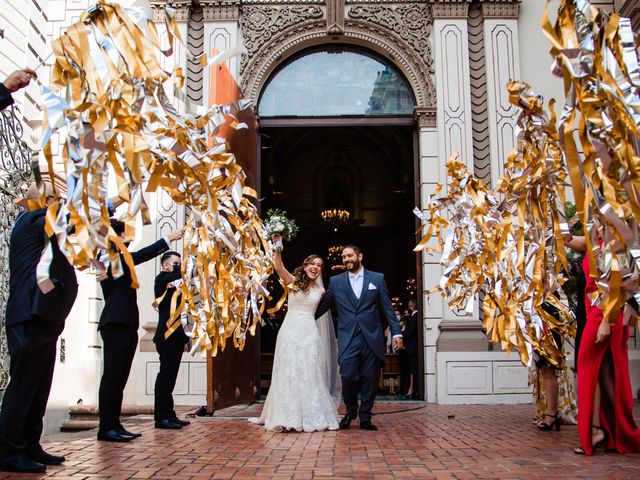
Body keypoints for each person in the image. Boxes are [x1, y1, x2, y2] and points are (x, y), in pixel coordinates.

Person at [0, 178, 78, 473]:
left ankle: (30, 444)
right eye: (56, 198)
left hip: (43, 319)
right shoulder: (32, 220)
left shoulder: (43, 227)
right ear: (45, 202)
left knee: (39, 387)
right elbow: (71, 220)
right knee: (23, 388)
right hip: (28, 318)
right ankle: (9, 451)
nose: (59, 203)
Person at [97, 220, 183, 442]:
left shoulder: (120, 258)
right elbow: (141, 255)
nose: (130, 238)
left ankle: (114, 424)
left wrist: (167, 240)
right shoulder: (109, 257)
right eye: (125, 235)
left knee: (120, 377)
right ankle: (107, 428)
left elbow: (137, 255)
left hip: (125, 323)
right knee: (112, 377)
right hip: (115, 322)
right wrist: (167, 240)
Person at [250, 235, 340, 432]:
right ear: (306, 265)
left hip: (309, 332)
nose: (316, 267)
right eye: (313, 263)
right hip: (289, 332)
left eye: (319, 265)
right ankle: (284, 415)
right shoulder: (293, 282)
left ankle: (311, 415)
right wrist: (278, 246)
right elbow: (278, 267)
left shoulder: (322, 290)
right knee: (287, 371)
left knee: (309, 372)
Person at [315, 245, 403, 430]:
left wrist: (396, 333)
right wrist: (302, 318)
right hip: (348, 338)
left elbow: (387, 308)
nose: (346, 259)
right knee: (347, 374)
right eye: (343, 257)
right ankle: (350, 411)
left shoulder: (377, 279)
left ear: (359, 256)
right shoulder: (336, 281)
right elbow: (323, 306)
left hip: (372, 337)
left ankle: (365, 418)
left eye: (349, 256)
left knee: (369, 379)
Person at [566, 235, 640, 455]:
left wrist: (607, 321)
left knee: (586, 368)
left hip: (604, 314)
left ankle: (597, 431)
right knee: (607, 375)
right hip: (594, 314)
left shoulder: (613, 242)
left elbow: (618, 282)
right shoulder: (596, 239)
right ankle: (617, 433)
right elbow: (573, 240)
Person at [153, 251, 190, 429]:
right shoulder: (161, 280)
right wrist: (188, 268)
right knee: (165, 378)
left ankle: (169, 414)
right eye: (176, 263)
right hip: (166, 336)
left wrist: (184, 339)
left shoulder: (176, 284)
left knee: (170, 378)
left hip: (175, 337)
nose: (178, 266)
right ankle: (161, 417)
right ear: (166, 265)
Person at [403, 299, 420, 400]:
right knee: (412, 370)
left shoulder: (415, 317)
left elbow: (409, 332)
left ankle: (416, 391)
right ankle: (412, 390)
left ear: (411, 306)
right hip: (411, 347)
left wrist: (402, 339)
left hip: (412, 347)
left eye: (409, 306)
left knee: (414, 369)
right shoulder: (412, 317)